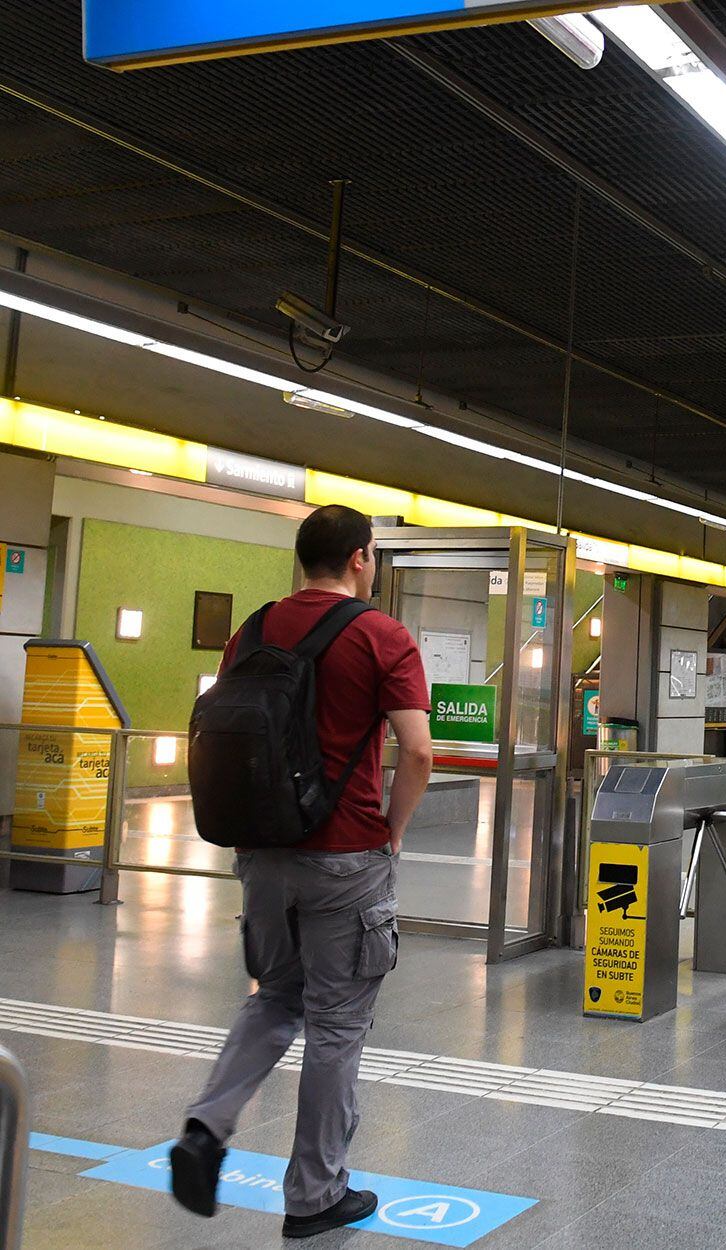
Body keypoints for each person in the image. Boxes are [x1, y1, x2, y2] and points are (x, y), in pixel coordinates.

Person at [170, 505, 435, 1238]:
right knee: (336, 1027)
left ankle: (205, 1130)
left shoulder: (251, 630)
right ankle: (315, 1195)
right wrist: (392, 835)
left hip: (261, 852)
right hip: (345, 855)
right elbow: (416, 750)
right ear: (359, 558)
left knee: (273, 996)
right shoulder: (381, 634)